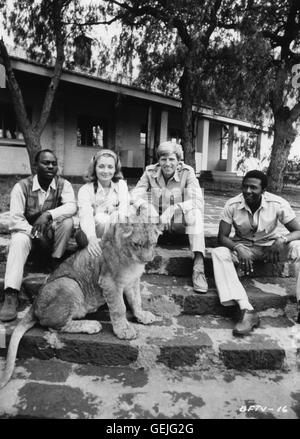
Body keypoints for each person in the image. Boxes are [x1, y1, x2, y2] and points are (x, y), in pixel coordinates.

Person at [211, 170, 300, 336]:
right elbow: (222, 237)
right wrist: (237, 248)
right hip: (244, 250)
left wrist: (281, 240)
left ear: (263, 190)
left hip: (271, 249)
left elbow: (298, 231)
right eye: (245, 186)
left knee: (298, 247)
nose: (248, 191)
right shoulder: (232, 204)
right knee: (219, 252)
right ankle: (247, 310)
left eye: (253, 187)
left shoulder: (277, 203)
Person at [0, 149, 77, 322]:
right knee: (18, 240)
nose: (50, 166)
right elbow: (15, 220)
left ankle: (55, 262)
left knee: (67, 222)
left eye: (53, 163)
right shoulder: (21, 187)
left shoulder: (64, 185)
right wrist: (33, 233)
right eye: (46, 162)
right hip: (28, 236)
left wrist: (48, 214)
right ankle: (11, 294)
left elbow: (71, 206)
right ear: (35, 166)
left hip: (51, 236)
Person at [131, 141, 207, 293]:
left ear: (179, 161)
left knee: (195, 214)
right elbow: (134, 194)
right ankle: (130, 261)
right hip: (156, 223)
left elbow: (198, 201)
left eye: (171, 159)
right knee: (132, 209)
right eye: (163, 159)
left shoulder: (188, 172)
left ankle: (198, 268)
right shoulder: (150, 171)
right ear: (158, 161)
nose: (167, 163)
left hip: (178, 222)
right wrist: (146, 206)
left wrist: (174, 208)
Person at [76, 149, 129, 257]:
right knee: (101, 218)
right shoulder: (85, 190)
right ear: (94, 168)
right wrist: (91, 238)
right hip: (91, 233)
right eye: (101, 166)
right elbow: (85, 216)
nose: (106, 171)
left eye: (110, 167)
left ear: (115, 169)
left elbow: (124, 210)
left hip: (114, 234)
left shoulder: (121, 185)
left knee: (118, 215)